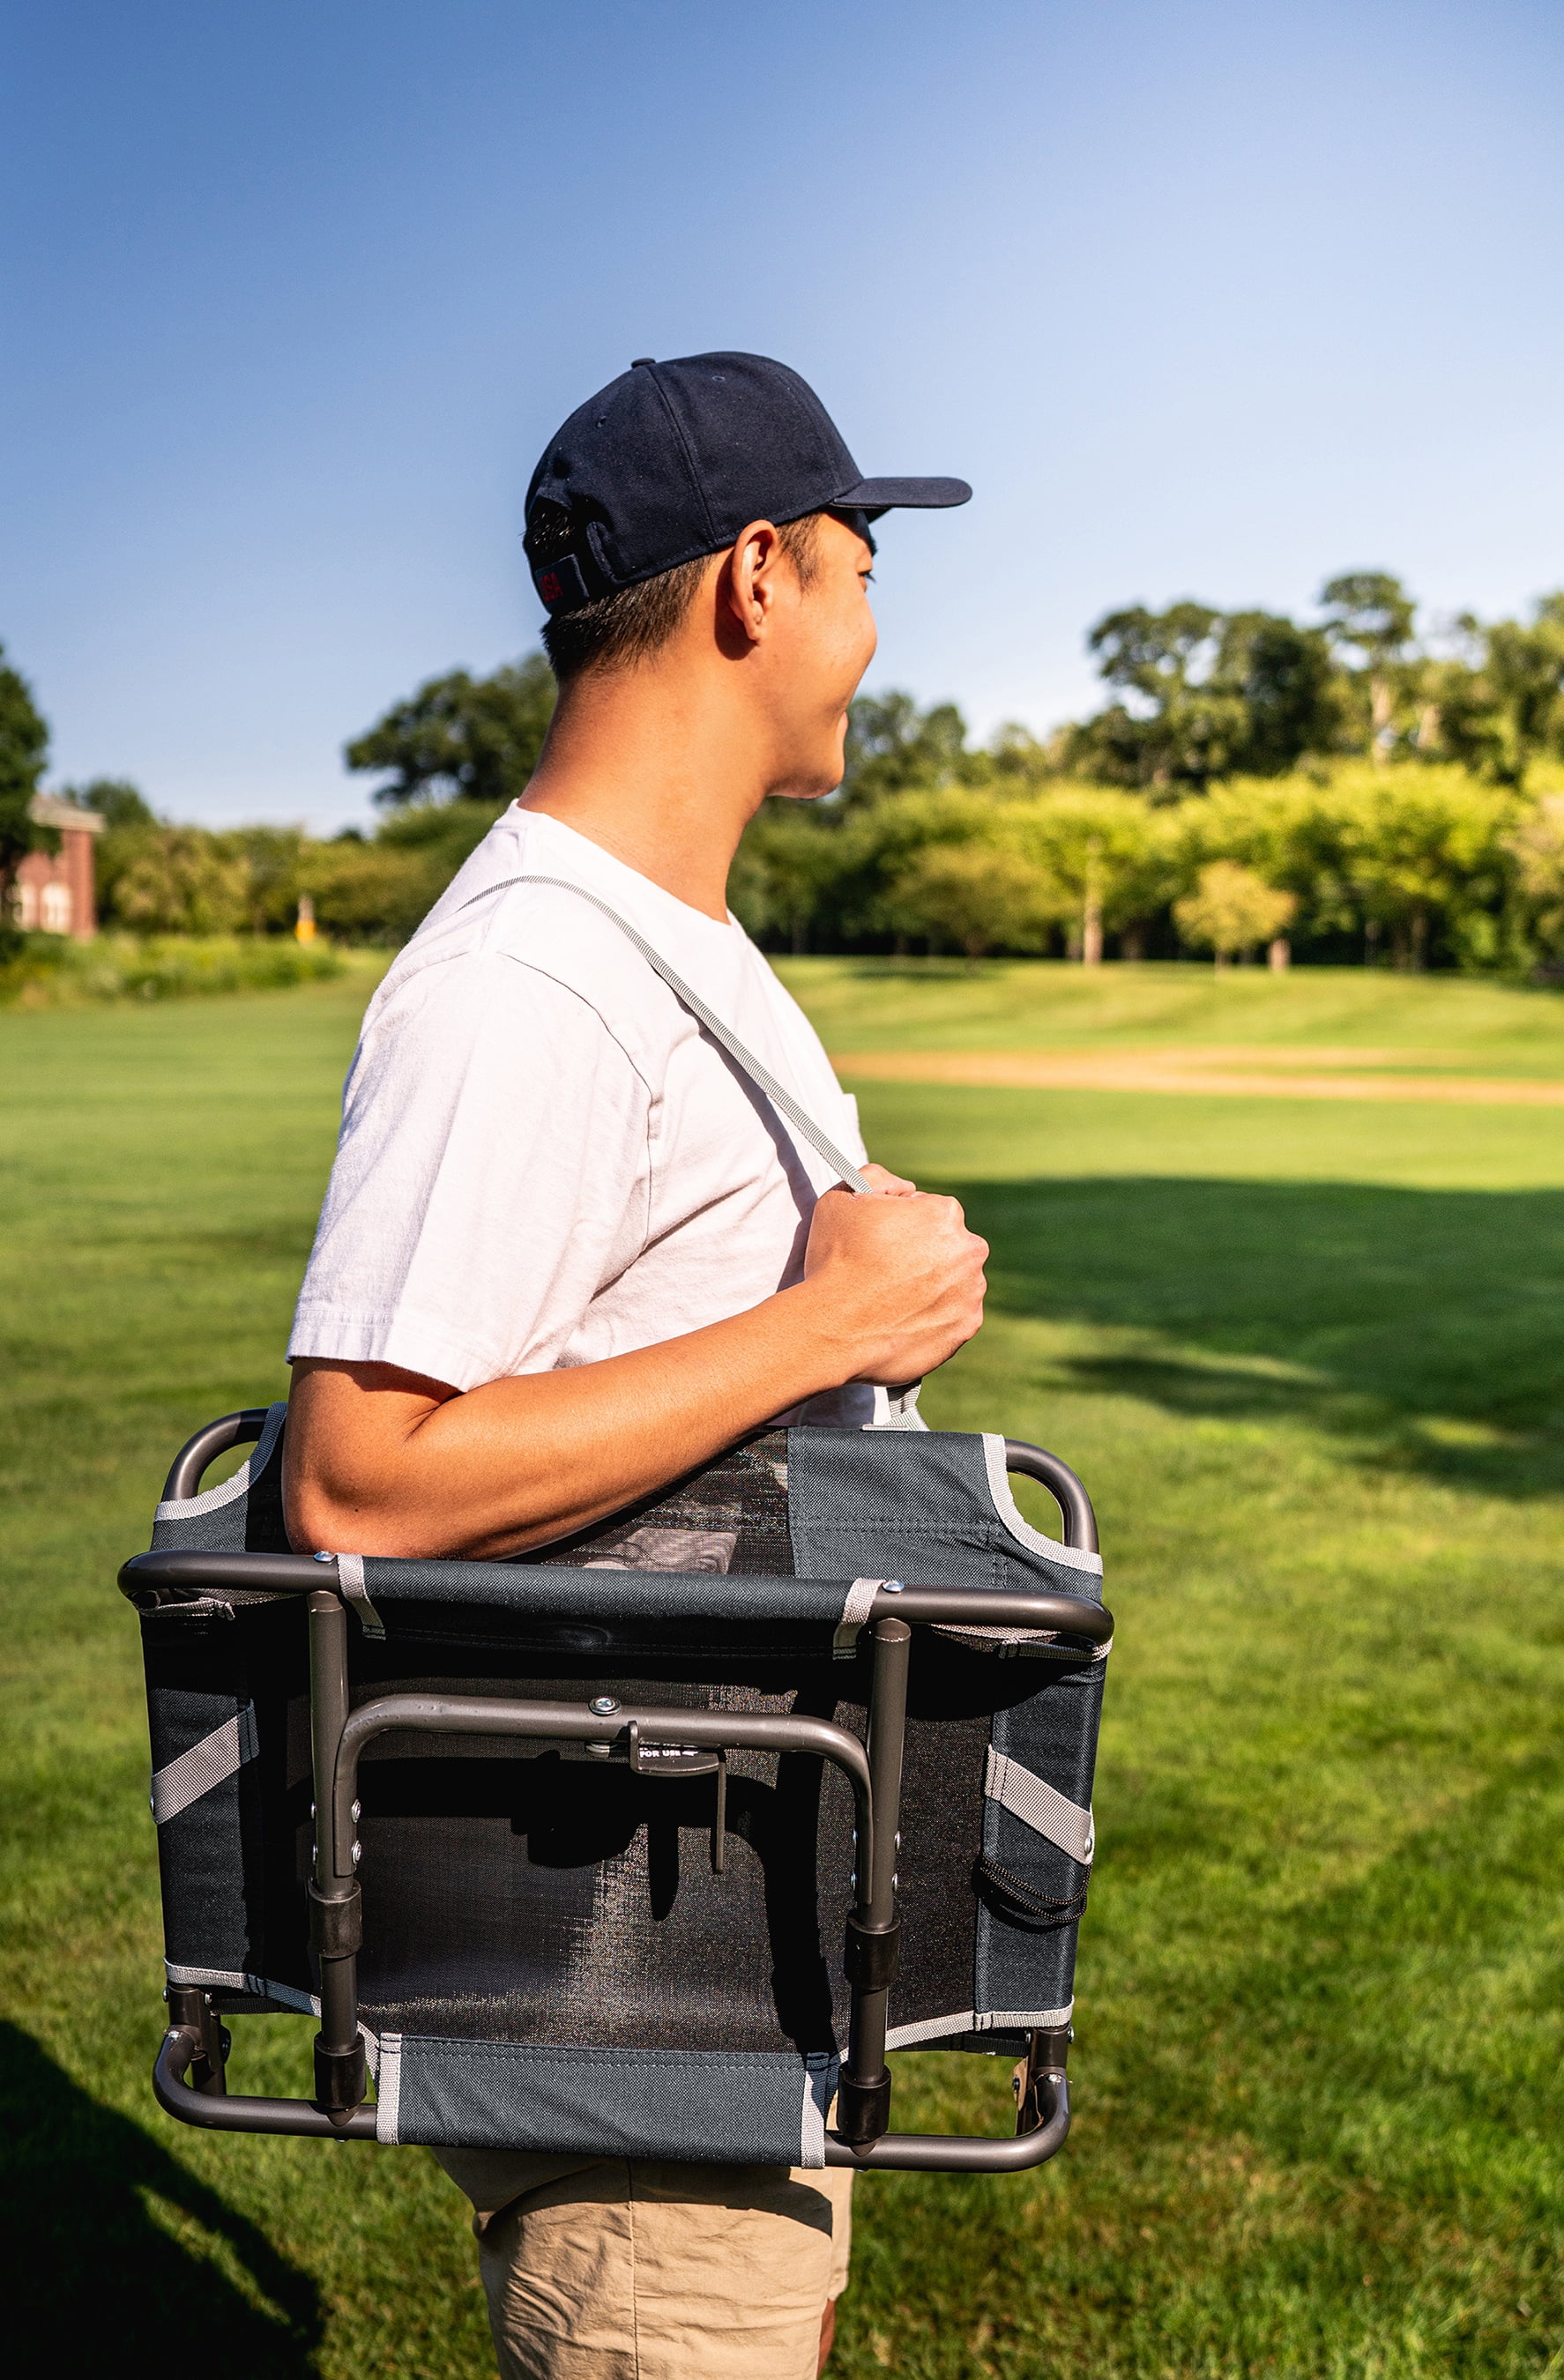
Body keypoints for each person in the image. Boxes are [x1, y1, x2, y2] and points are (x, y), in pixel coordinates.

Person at [282, 351, 988, 2380]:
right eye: (864, 564)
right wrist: (830, 1320)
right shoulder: (533, 978)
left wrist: (848, 1304)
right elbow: (357, 1478)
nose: (877, 627)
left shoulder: (658, 941)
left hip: (734, 1922)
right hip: (624, 1974)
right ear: (758, 577)